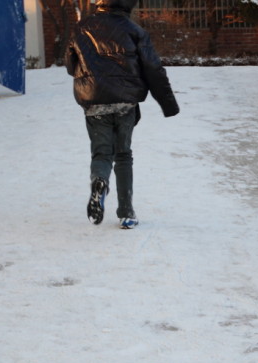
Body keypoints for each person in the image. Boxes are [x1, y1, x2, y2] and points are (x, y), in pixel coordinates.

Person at [65, 0, 179, 229]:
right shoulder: (135, 31)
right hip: (125, 103)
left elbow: (70, 64)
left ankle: (100, 181)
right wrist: (169, 105)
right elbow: (153, 69)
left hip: (94, 101)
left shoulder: (81, 27)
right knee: (123, 155)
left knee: (101, 153)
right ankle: (126, 213)